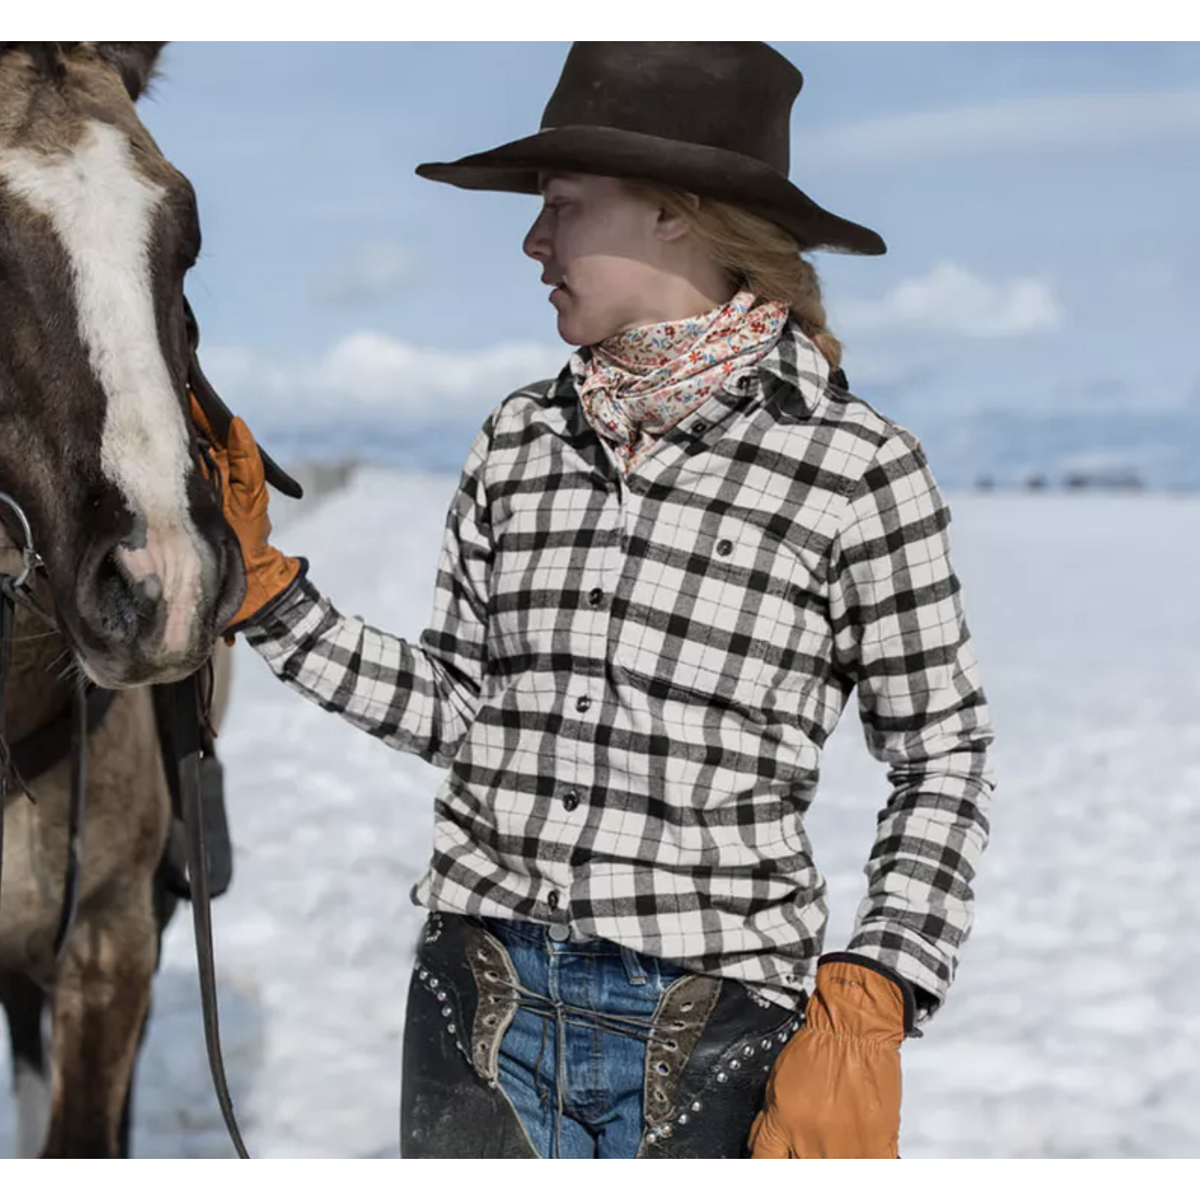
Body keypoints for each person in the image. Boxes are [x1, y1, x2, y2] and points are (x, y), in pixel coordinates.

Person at [192, 41, 995, 1159]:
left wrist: (881, 983)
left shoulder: (855, 468)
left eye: (562, 206)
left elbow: (941, 752)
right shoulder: (518, 440)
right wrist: (265, 590)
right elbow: (465, 712)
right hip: (478, 996)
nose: (533, 242)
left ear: (677, 211)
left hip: (717, 1023)